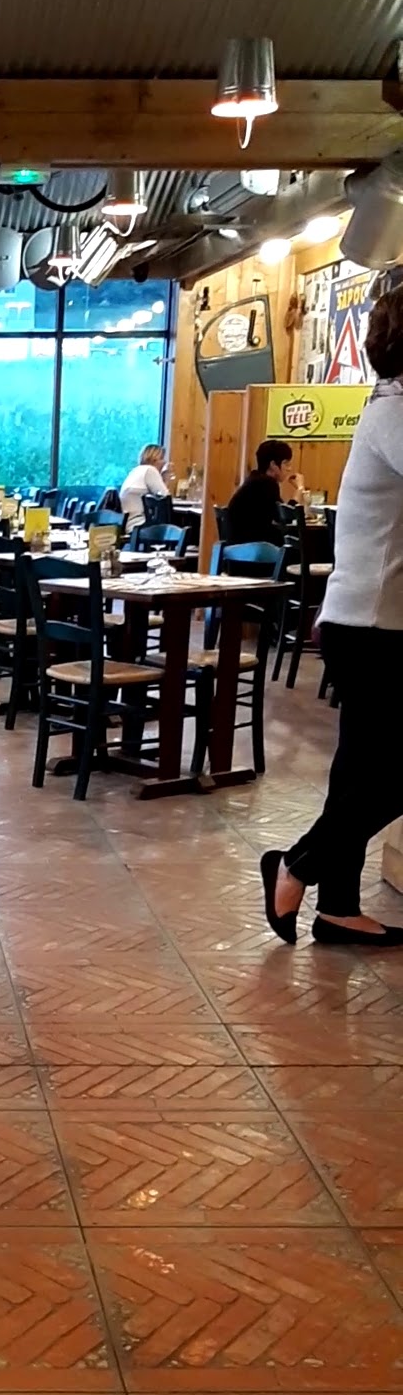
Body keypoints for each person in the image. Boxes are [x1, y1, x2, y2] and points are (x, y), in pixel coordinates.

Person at [261, 281, 403, 946]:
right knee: (388, 772)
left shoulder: (387, 405)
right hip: (376, 626)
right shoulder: (396, 410)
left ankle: (337, 905)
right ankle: (298, 865)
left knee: (358, 772)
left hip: (367, 621)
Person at [224, 438, 303, 545]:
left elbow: (279, 514)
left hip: (238, 544)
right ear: (273, 465)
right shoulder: (266, 483)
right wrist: (299, 489)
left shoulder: (256, 480)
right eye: (286, 464)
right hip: (253, 545)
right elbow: (285, 518)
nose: (289, 469)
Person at [119, 444, 169, 529]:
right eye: (161, 458)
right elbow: (165, 497)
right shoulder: (150, 470)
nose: (164, 462)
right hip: (141, 524)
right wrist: (166, 478)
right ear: (154, 459)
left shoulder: (135, 471)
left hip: (128, 524)